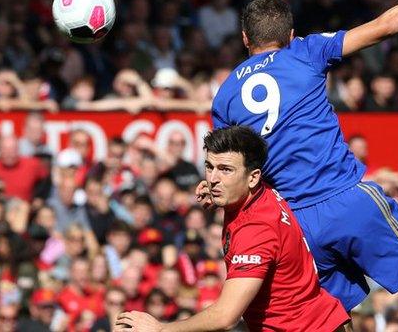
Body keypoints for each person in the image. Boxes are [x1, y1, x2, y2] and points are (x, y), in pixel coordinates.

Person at [206, 0, 398, 330]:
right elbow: (387, 25)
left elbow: (227, 166)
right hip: (348, 200)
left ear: (245, 39)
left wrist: (209, 188)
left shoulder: (224, 96)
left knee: (329, 320)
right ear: (290, 35)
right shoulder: (305, 51)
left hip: (297, 225)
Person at [115, 126, 349, 331]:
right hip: (324, 318)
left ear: (253, 177)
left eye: (225, 169)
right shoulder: (255, 191)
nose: (213, 178)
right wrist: (218, 193)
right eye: (209, 167)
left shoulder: (255, 230)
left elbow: (226, 317)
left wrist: (161, 329)